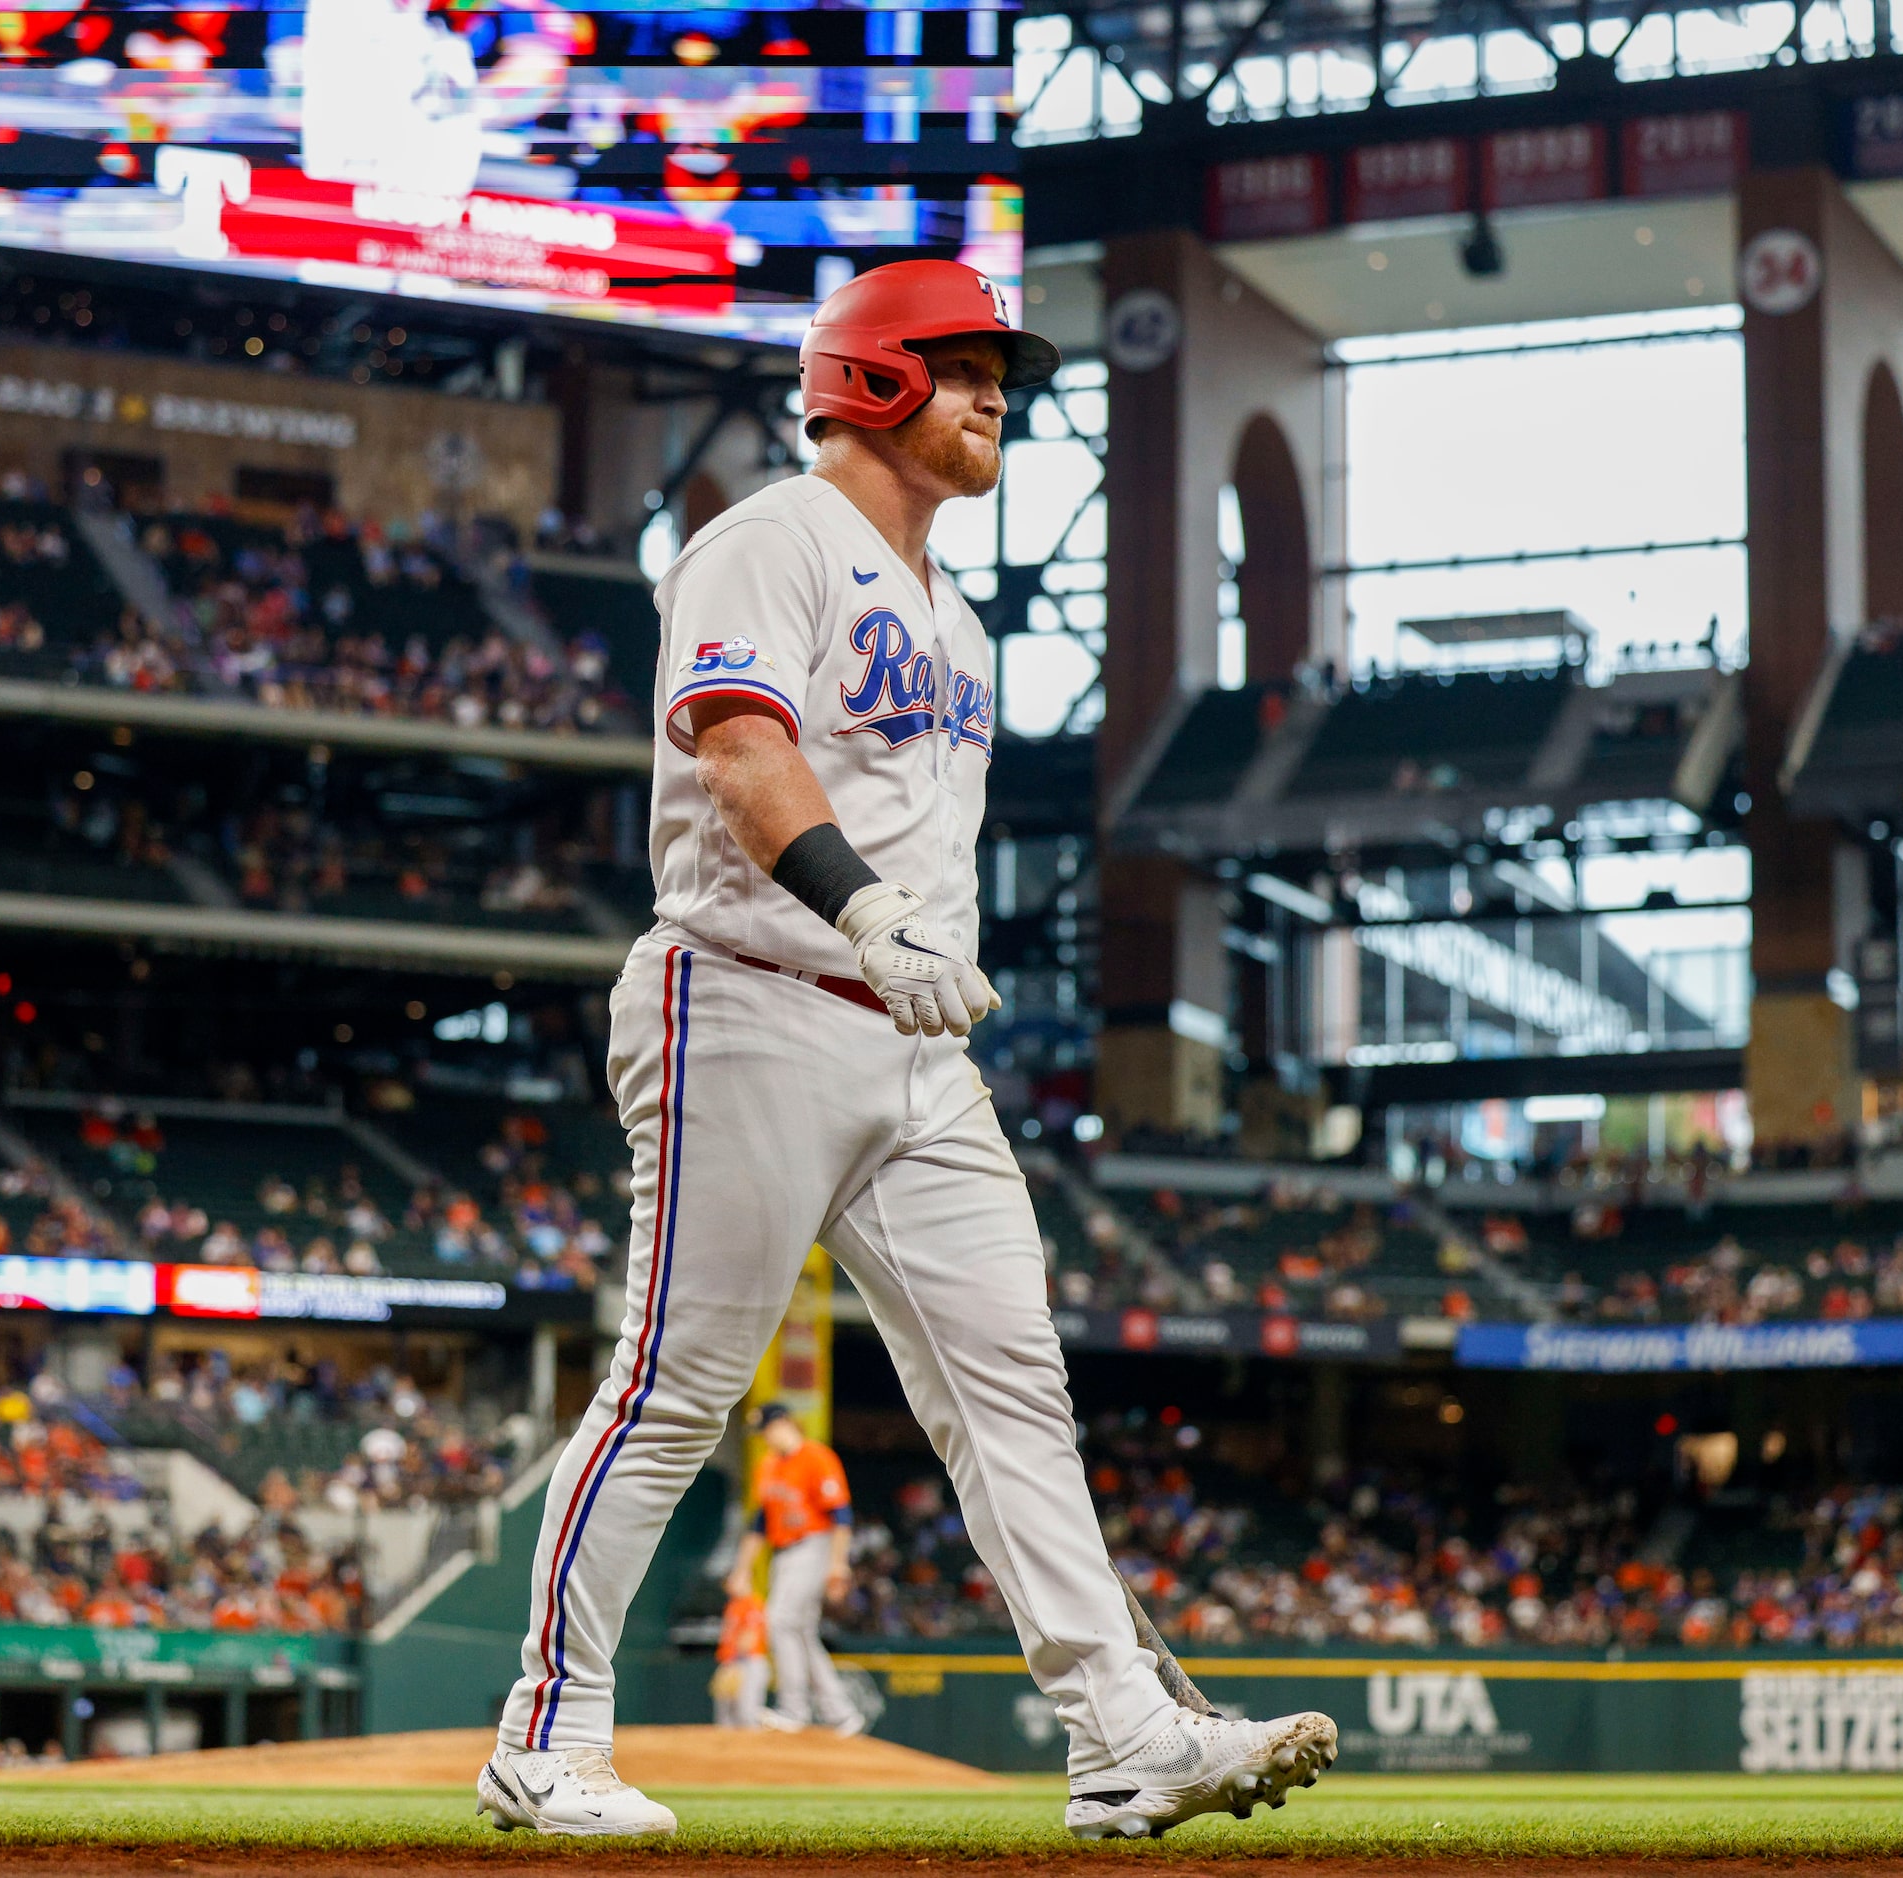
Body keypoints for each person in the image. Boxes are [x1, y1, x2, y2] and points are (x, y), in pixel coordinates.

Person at [473, 259, 1336, 1842]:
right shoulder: (767, 538)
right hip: (750, 990)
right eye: (961, 364)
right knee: (676, 1387)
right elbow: (742, 750)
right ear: (869, 380)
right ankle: (546, 1732)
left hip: (919, 1041)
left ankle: (1124, 1734)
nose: (995, 390)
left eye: (1002, 368)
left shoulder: (970, 619)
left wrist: (907, 949)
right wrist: (869, 916)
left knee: (1017, 1390)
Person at [734, 1403, 860, 1734]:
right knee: (800, 1630)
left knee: (781, 1621)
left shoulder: (816, 1457)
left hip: (813, 1544)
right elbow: (759, 1523)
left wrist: (838, 1565)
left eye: (766, 1429)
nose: (764, 1437)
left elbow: (842, 1516)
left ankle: (794, 1709)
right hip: (783, 1552)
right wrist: (742, 1569)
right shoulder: (769, 1465)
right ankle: (841, 1713)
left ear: (784, 1423)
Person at [710, 1579, 771, 1731]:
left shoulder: (752, 1604)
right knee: (725, 1714)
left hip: (748, 1661)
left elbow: (750, 1638)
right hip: (733, 1661)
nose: (729, 1587)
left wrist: (734, 1663)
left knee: (747, 1712)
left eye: (733, 1581)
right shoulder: (733, 1605)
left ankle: (754, 1750)